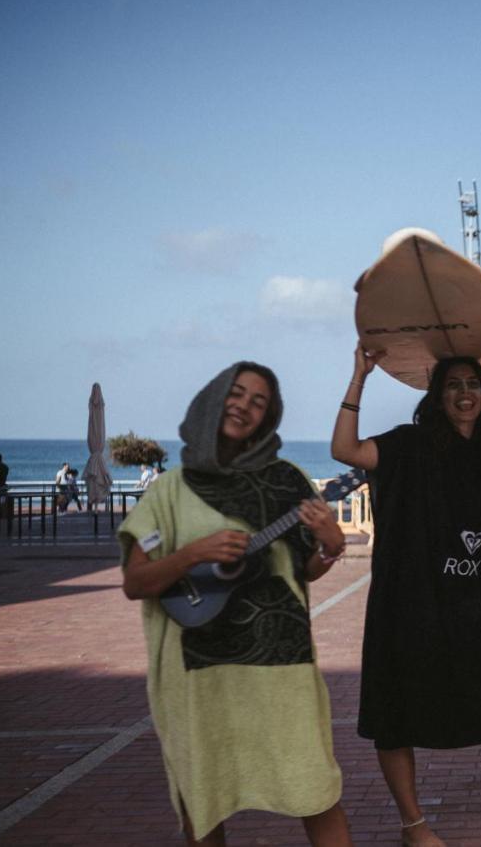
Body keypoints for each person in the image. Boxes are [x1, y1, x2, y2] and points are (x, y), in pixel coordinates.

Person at [332, 345, 481, 846]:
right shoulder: (409, 445)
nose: (465, 394)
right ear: (437, 396)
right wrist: (359, 376)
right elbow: (346, 451)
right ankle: (413, 824)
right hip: (415, 605)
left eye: (473, 385)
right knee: (396, 709)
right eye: (453, 385)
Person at [118, 362, 353, 847]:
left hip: (282, 665)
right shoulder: (169, 489)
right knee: (204, 797)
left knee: (316, 787)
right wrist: (193, 554)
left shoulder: (288, 480)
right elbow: (136, 582)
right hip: (200, 673)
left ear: (269, 418)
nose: (244, 406)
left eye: (258, 401)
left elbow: (303, 570)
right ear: (212, 398)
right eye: (237, 393)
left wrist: (331, 543)